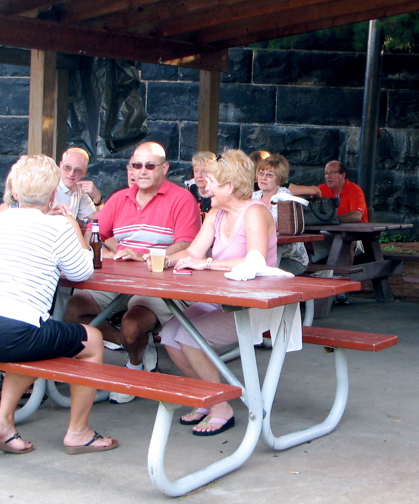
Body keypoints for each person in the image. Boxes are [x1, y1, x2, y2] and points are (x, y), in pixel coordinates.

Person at [0, 155, 116, 455]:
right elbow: (83, 271)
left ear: (15, 192)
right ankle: (79, 432)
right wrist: (69, 223)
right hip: (10, 331)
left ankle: (4, 420)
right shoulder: (57, 227)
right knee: (92, 340)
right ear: (54, 194)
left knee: (36, 338)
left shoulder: (2, 220)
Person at [64, 142, 200, 403]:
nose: (143, 171)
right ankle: (135, 345)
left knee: (132, 324)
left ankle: (135, 365)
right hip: (117, 280)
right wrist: (116, 248)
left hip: (160, 281)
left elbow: (186, 244)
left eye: (150, 165)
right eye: (137, 165)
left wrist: (145, 257)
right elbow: (95, 233)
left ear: (165, 168)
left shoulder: (182, 198)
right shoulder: (119, 198)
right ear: (130, 169)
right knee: (72, 310)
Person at [162, 148, 277, 436]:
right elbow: (193, 251)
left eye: (211, 180)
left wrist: (207, 263)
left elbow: (255, 260)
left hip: (254, 305)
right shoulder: (216, 212)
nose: (204, 184)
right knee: (168, 335)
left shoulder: (255, 212)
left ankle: (222, 405)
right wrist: (163, 259)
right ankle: (208, 395)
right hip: (221, 301)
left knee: (189, 337)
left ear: (229, 186)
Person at [252, 154, 319, 275]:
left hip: (290, 259)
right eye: (261, 173)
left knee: (263, 269)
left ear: (279, 179)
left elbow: (279, 229)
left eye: (269, 175)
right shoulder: (253, 197)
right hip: (263, 253)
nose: (263, 178)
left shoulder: (285, 197)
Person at [311, 160, 369, 268]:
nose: (328, 176)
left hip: (356, 235)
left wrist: (331, 219)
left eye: (332, 172)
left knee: (347, 241)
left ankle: (342, 278)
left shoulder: (354, 190)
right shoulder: (320, 189)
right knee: (305, 241)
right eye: (326, 173)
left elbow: (357, 216)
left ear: (342, 175)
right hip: (327, 233)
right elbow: (311, 212)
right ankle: (308, 276)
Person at [55, 147, 102, 222]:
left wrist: (97, 199)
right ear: (60, 166)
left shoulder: (80, 191)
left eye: (77, 170)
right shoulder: (48, 187)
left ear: (84, 173)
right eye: (67, 167)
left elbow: (99, 220)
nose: (71, 173)